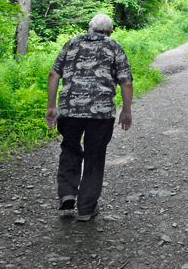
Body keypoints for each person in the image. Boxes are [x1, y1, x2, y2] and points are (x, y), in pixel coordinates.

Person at [45, 13, 134, 221]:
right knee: (94, 157)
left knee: (70, 148)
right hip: (101, 114)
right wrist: (126, 110)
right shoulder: (113, 46)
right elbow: (126, 82)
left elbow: (53, 74)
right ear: (109, 30)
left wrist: (51, 106)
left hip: (69, 111)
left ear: (89, 28)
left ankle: (67, 192)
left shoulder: (72, 43)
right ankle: (86, 208)